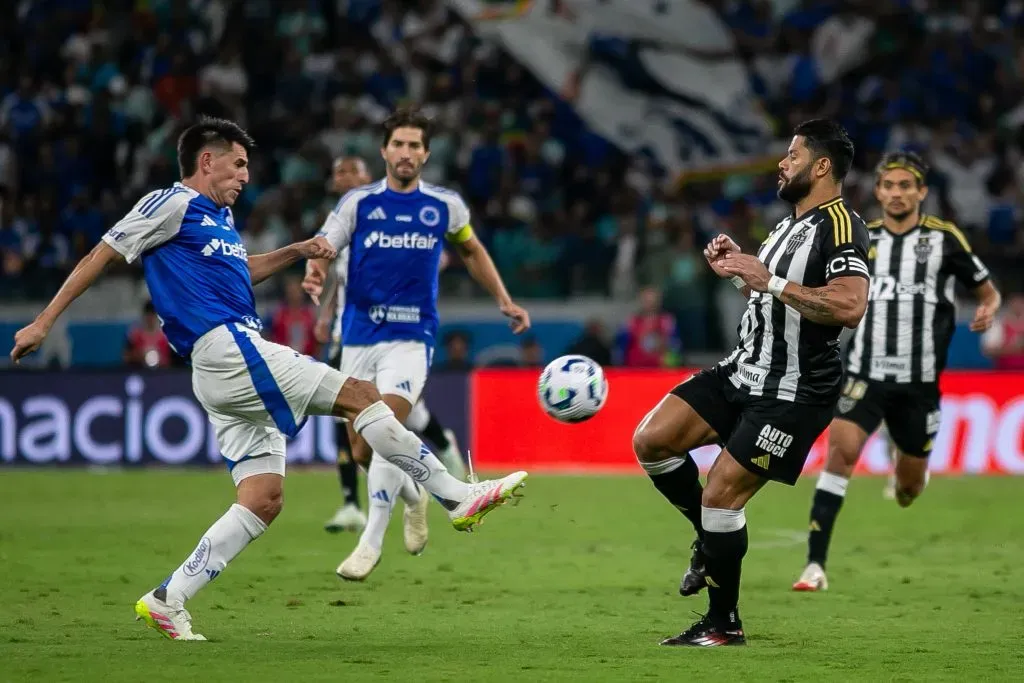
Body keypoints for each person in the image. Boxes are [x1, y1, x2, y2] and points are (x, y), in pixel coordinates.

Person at [10, 116, 529, 641]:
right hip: (227, 347)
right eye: (238, 164)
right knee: (361, 396)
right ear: (206, 161)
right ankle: (454, 496)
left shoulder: (219, 218)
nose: (245, 176)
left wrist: (296, 252)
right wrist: (44, 322)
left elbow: (242, 269)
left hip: (220, 365)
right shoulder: (170, 203)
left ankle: (169, 598)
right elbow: (102, 254)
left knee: (263, 497)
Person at [631, 119, 870, 646]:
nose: (781, 164)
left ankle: (723, 623)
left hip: (794, 390)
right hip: (744, 369)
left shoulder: (842, 226)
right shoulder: (787, 225)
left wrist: (771, 279)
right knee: (651, 440)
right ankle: (707, 543)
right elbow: (773, 301)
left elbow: (851, 306)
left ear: (822, 165)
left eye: (792, 155)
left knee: (720, 496)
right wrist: (739, 272)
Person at [303, 108, 531, 581]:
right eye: (398, 144)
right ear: (384, 151)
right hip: (360, 338)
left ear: (426, 154)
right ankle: (415, 492)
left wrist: (504, 299)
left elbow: (470, 249)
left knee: (384, 419)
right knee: (365, 449)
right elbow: (326, 245)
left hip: (412, 337)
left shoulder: (444, 206)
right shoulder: (358, 204)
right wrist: (316, 270)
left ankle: (371, 541)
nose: (406, 153)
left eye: (414, 146)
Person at [792, 151, 1001, 592]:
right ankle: (814, 566)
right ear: (879, 192)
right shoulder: (860, 239)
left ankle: (900, 464)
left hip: (919, 384)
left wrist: (986, 309)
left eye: (907, 186)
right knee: (840, 453)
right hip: (864, 374)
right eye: (889, 185)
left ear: (921, 192)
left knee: (909, 491)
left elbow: (987, 291)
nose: (897, 193)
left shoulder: (944, 239)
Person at [314, 156, 468, 537]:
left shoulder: (398, 215)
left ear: (370, 177)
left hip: (399, 332)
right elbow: (335, 271)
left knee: (401, 416)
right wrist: (325, 313)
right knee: (349, 420)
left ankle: (441, 449)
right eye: (339, 173)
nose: (345, 178)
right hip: (350, 335)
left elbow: (439, 256)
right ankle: (353, 503)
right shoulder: (342, 222)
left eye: (352, 171)